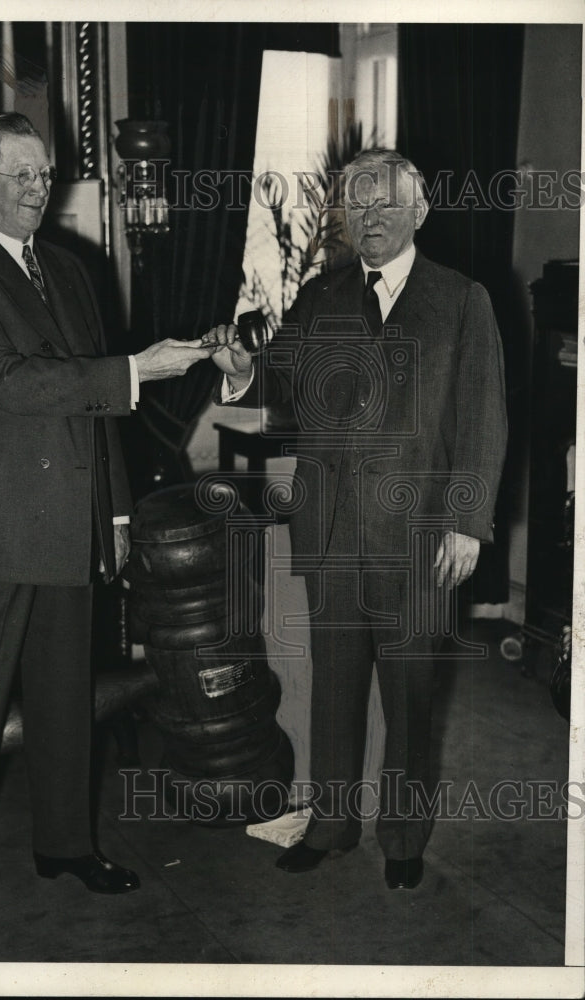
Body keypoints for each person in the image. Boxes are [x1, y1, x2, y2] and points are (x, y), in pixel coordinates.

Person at [0, 112, 213, 934]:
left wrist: (112, 509)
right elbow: (13, 381)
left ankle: (66, 845)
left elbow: (97, 411)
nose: (39, 190)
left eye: (46, 176)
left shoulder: (72, 272)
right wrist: (135, 368)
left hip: (69, 519)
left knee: (63, 696)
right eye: (21, 175)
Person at [205, 148, 507, 890]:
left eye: (384, 204)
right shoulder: (322, 294)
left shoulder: (461, 299)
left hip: (421, 537)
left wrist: (467, 522)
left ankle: (402, 840)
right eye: (356, 206)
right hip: (333, 526)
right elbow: (274, 376)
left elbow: (483, 416)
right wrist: (241, 369)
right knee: (335, 686)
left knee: (408, 695)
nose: (369, 219)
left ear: (419, 210)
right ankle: (332, 824)